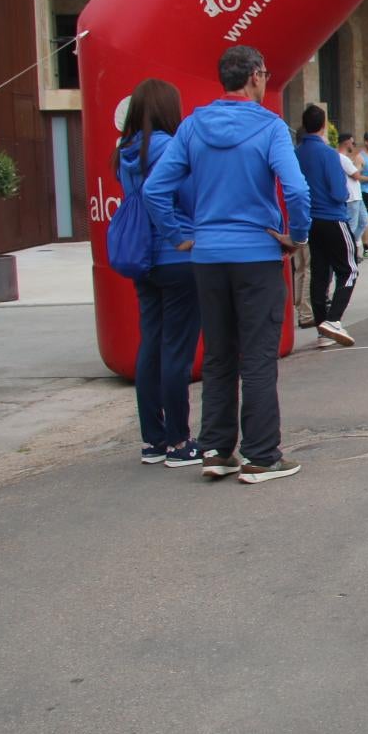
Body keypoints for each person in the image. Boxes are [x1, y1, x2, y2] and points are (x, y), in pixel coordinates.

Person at [142, 46, 311, 485]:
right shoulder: (270, 127)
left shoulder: (192, 127)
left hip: (208, 257)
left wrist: (179, 235)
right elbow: (296, 190)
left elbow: (155, 189)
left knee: (218, 355)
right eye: (266, 73)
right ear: (255, 76)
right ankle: (260, 456)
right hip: (256, 255)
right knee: (257, 356)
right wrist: (297, 236)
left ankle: (217, 450)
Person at [115, 77, 202, 467]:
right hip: (178, 257)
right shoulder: (170, 147)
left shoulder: (126, 151)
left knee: (150, 345)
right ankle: (180, 441)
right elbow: (184, 197)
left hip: (142, 259)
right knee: (177, 351)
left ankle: (153, 438)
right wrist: (179, 234)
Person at [295, 104, 359, 347]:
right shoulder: (329, 154)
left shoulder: (297, 152)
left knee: (319, 273)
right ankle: (333, 320)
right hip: (332, 217)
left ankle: (322, 329)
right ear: (323, 126)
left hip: (310, 220)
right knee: (349, 269)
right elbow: (338, 192)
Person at [339, 134, 368, 260]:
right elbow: (356, 175)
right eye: (352, 142)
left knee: (364, 222)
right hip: (351, 197)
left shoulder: (345, 158)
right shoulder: (342, 158)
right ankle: (348, 252)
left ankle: (352, 247)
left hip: (357, 196)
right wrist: (360, 165)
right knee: (352, 225)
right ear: (346, 143)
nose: (353, 145)